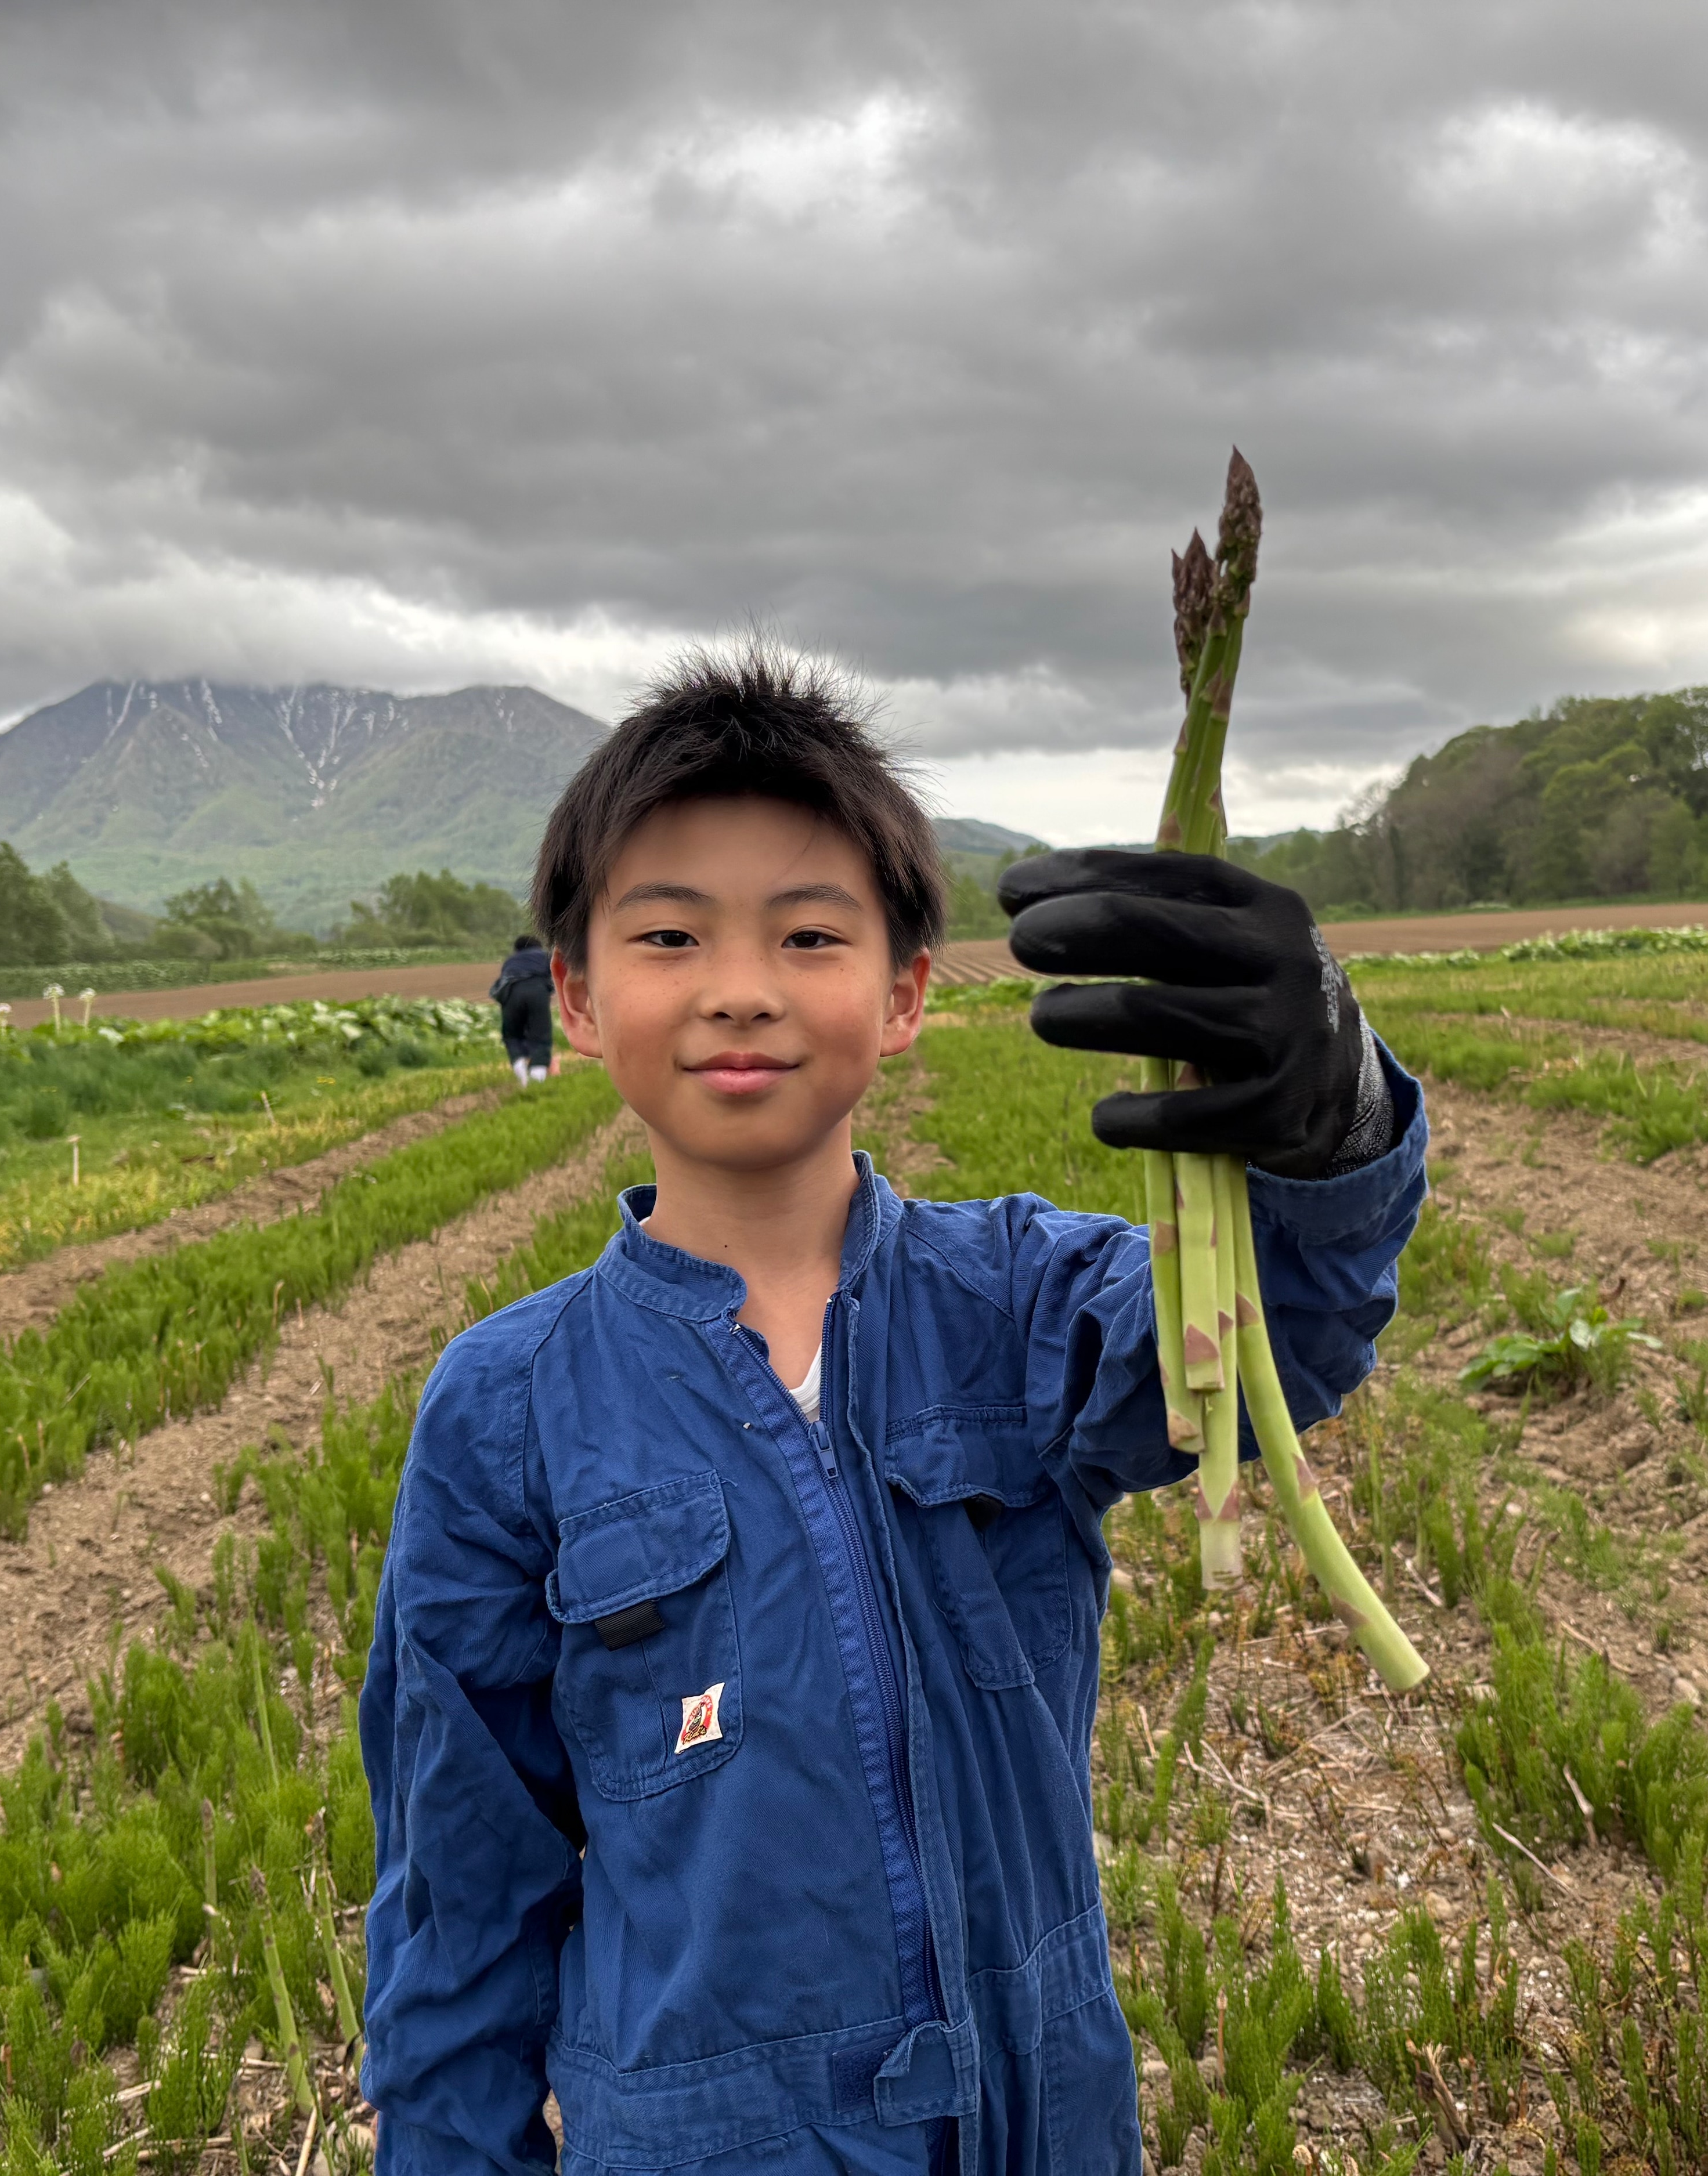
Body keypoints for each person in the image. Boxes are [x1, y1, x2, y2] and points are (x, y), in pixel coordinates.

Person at [358, 645, 1425, 2176]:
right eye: (671, 934)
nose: (742, 987)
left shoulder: (1019, 1295)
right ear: (579, 999)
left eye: (808, 933)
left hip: (1039, 2123)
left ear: (906, 991)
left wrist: (1339, 1115)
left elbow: (1277, 1346)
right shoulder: (508, 1404)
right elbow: (464, 1883)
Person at [492, 932, 556, 1084]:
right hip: (537, 991)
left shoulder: (510, 961)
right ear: (537, 945)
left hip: (511, 993)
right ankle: (538, 1078)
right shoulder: (544, 956)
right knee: (541, 1034)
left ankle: (520, 1066)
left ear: (517, 949)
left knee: (512, 1035)